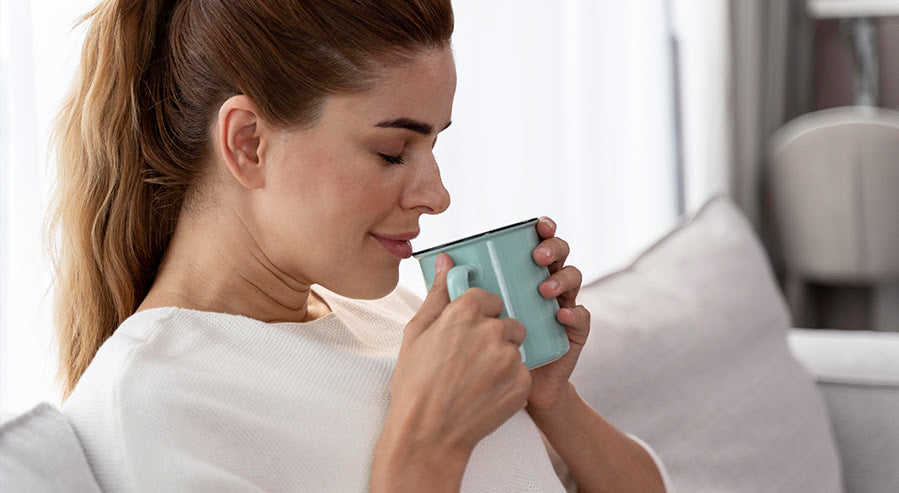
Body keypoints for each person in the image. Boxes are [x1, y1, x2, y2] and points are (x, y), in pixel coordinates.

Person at [48, 0, 671, 491]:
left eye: (434, 146)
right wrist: (424, 451)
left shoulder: (399, 319)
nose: (437, 195)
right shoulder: (155, 406)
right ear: (246, 143)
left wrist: (551, 399)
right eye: (392, 152)